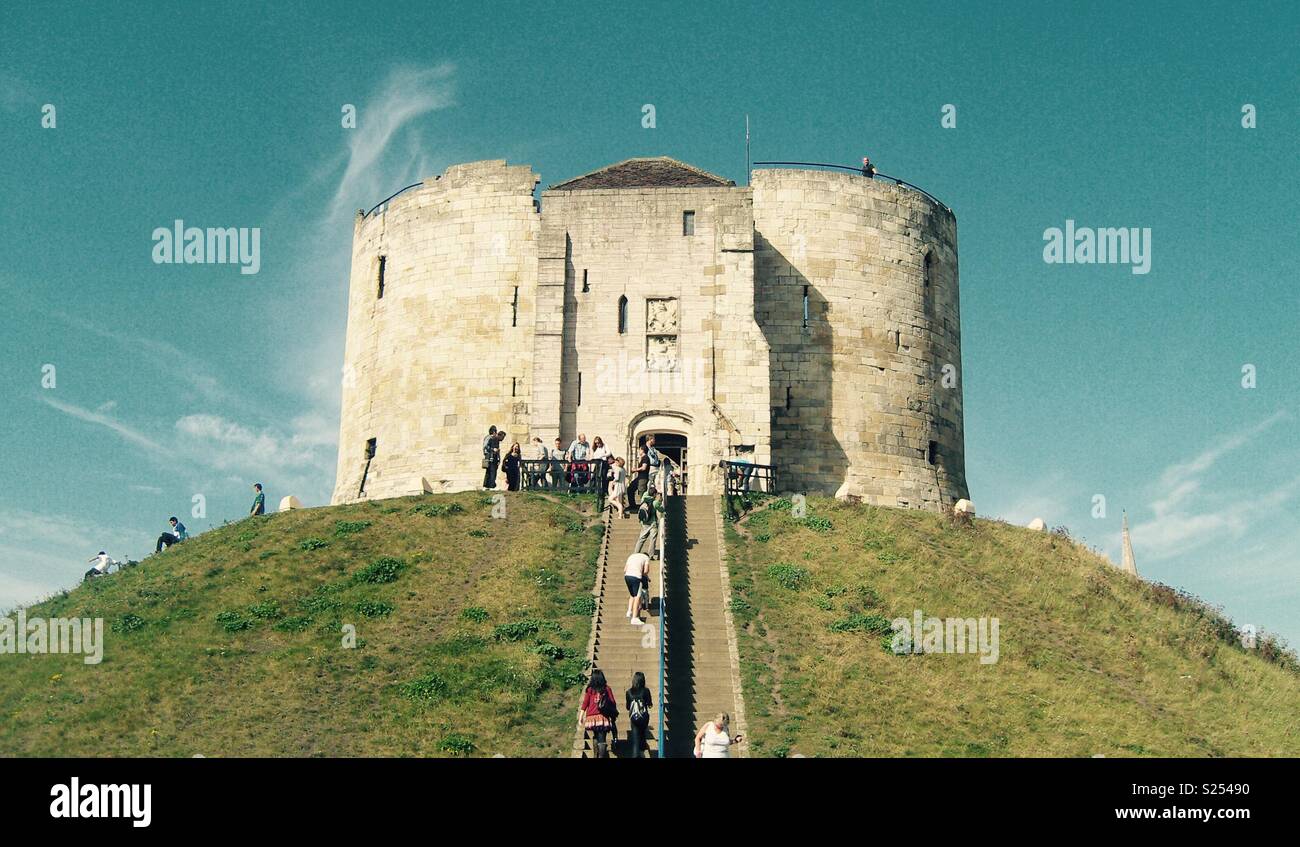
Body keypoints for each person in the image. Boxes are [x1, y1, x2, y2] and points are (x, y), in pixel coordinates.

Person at [577, 668, 619, 758]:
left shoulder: (590, 690)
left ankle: (596, 753)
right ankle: (601, 755)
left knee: (596, 735)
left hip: (591, 717)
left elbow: (585, 703)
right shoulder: (606, 689)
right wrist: (613, 714)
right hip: (602, 716)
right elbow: (613, 702)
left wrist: (581, 716)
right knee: (602, 738)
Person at [625, 671, 653, 759]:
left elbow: (628, 707)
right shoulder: (646, 691)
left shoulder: (629, 692)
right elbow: (649, 704)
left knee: (635, 739)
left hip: (634, 718)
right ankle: (642, 747)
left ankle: (637, 753)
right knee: (642, 733)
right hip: (644, 718)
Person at [624, 551, 650, 623]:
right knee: (637, 597)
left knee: (632, 595)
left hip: (627, 576)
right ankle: (634, 618)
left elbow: (625, 569)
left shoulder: (631, 556)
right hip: (636, 577)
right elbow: (646, 571)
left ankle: (629, 612)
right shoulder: (646, 557)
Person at [633, 488, 659, 559]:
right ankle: (651, 555)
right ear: (654, 494)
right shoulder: (655, 502)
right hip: (653, 523)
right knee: (652, 539)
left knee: (641, 538)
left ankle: (636, 553)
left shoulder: (643, 500)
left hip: (644, 523)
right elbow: (661, 509)